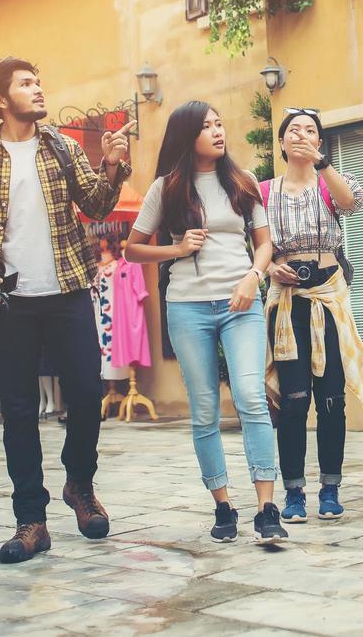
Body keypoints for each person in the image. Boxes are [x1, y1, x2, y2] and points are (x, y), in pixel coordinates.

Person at [0, 57, 134, 563]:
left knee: (88, 394)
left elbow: (95, 206)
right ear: (2, 99)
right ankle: (31, 520)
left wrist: (111, 164)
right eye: (26, 84)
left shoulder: (63, 146)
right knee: (20, 412)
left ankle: (80, 485)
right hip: (8, 299)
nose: (38, 88)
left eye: (38, 80)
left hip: (68, 289)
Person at [124, 101, 288, 545]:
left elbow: (264, 243)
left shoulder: (242, 181)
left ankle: (266, 508)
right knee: (204, 411)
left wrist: (255, 277)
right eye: (207, 126)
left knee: (252, 397)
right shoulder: (167, 188)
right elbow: (132, 249)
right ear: (186, 135)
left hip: (241, 303)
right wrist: (175, 251)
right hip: (188, 307)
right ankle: (223, 506)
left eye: (220, 123)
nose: (218, 131)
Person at [260, 107, 363, 524]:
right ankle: (293, 492)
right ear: (280, 143)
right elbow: (254, 243)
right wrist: (268, 267)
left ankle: (331, 488)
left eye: (310, 130)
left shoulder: (333, 182)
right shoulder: (262, 192)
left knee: (331, 398)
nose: (301, 135)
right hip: (287, 302)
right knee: (294, 401)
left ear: (319, 141)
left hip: (329, 297)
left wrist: (323, 163)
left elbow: (351, 204)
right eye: (293, 130)